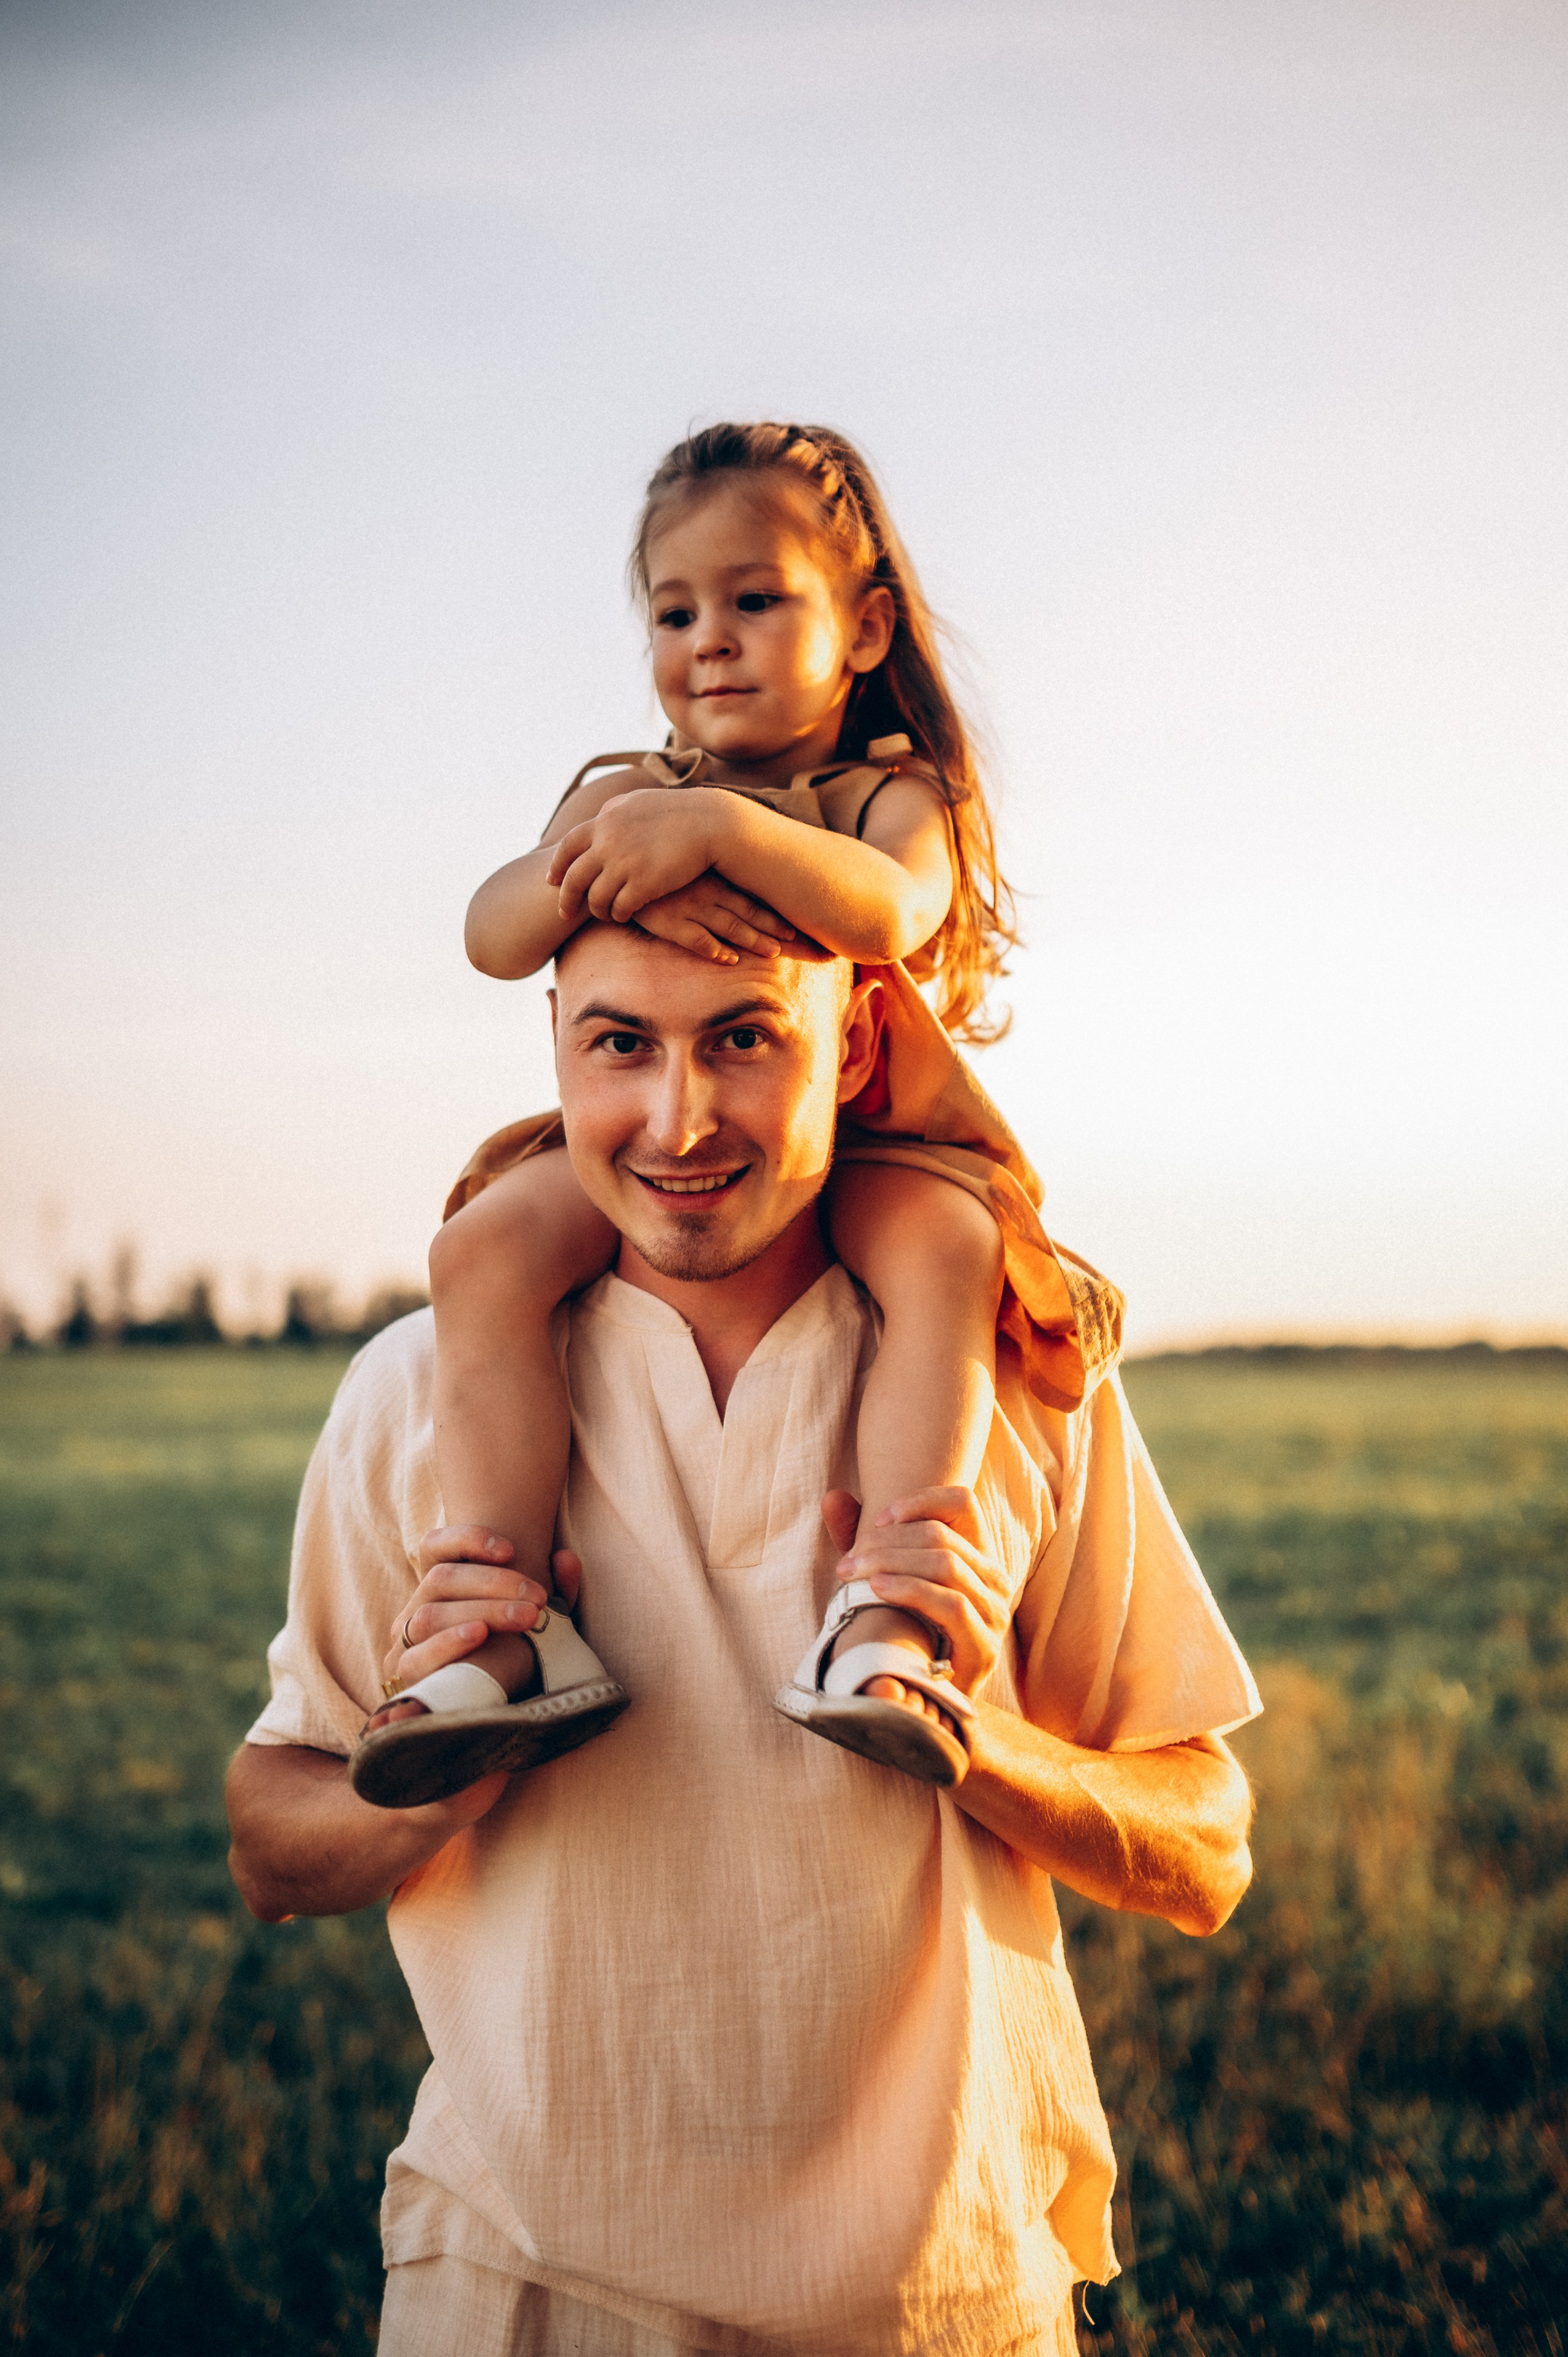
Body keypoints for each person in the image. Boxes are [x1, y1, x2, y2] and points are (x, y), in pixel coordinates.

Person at [227, 912, 1261, 2357]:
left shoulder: (1015, 1391)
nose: (677, 1117)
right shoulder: (421, 1389)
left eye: (744, 1036)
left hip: (939, 2303)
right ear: (557, 1054)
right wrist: (451, 1772)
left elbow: (1207, 1843)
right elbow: (273, 1837)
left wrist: (976, 1746)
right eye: (619, 1044)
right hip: (515, 2287)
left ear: (854, 1051)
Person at [352, 421, 1126, 1811]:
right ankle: (501, 1623)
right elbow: (488, 932)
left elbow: (893, 908)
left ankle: (884, 1611)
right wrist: (602, 851)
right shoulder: (623, 789)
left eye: (754, 599)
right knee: (480, 1253)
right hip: (673, 1140)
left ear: (864, 624)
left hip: (872, 1132)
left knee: (941, 1251)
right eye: (674, 609)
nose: (708, 639)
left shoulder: (889, 796)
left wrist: (720, 837)